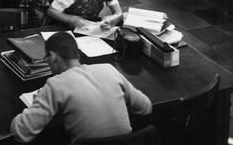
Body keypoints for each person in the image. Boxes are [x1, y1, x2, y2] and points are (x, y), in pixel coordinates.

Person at [9, 31, 152, 144]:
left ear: (52, 57)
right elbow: (146, 107)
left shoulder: (56, 85)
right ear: (77, 54)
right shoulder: (109, 70)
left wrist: (35, 105)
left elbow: (21, 133)